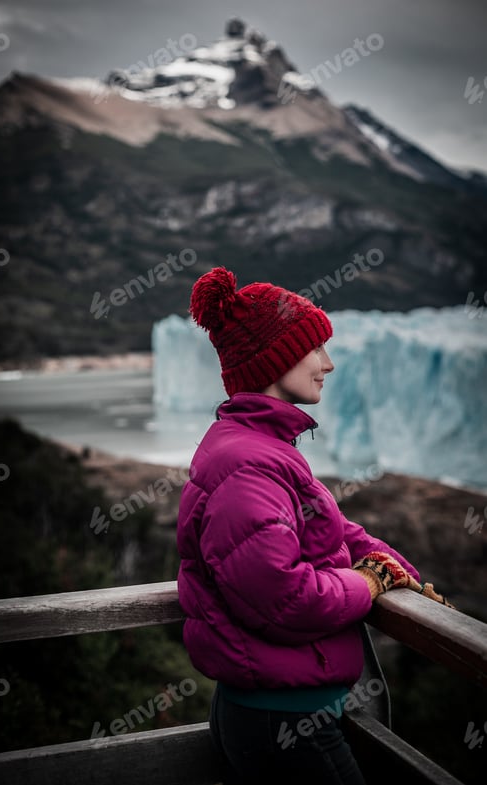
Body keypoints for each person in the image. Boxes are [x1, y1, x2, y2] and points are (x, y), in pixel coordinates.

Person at [176, 266, 453, 785]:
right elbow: (285, 597)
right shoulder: (249, 463)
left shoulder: (261, 448)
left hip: (280, 711)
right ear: (275, 360)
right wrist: (368, 583)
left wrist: (398, 572)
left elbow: (336, 530)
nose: (328, 364)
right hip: (284, 722)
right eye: (314, 348)